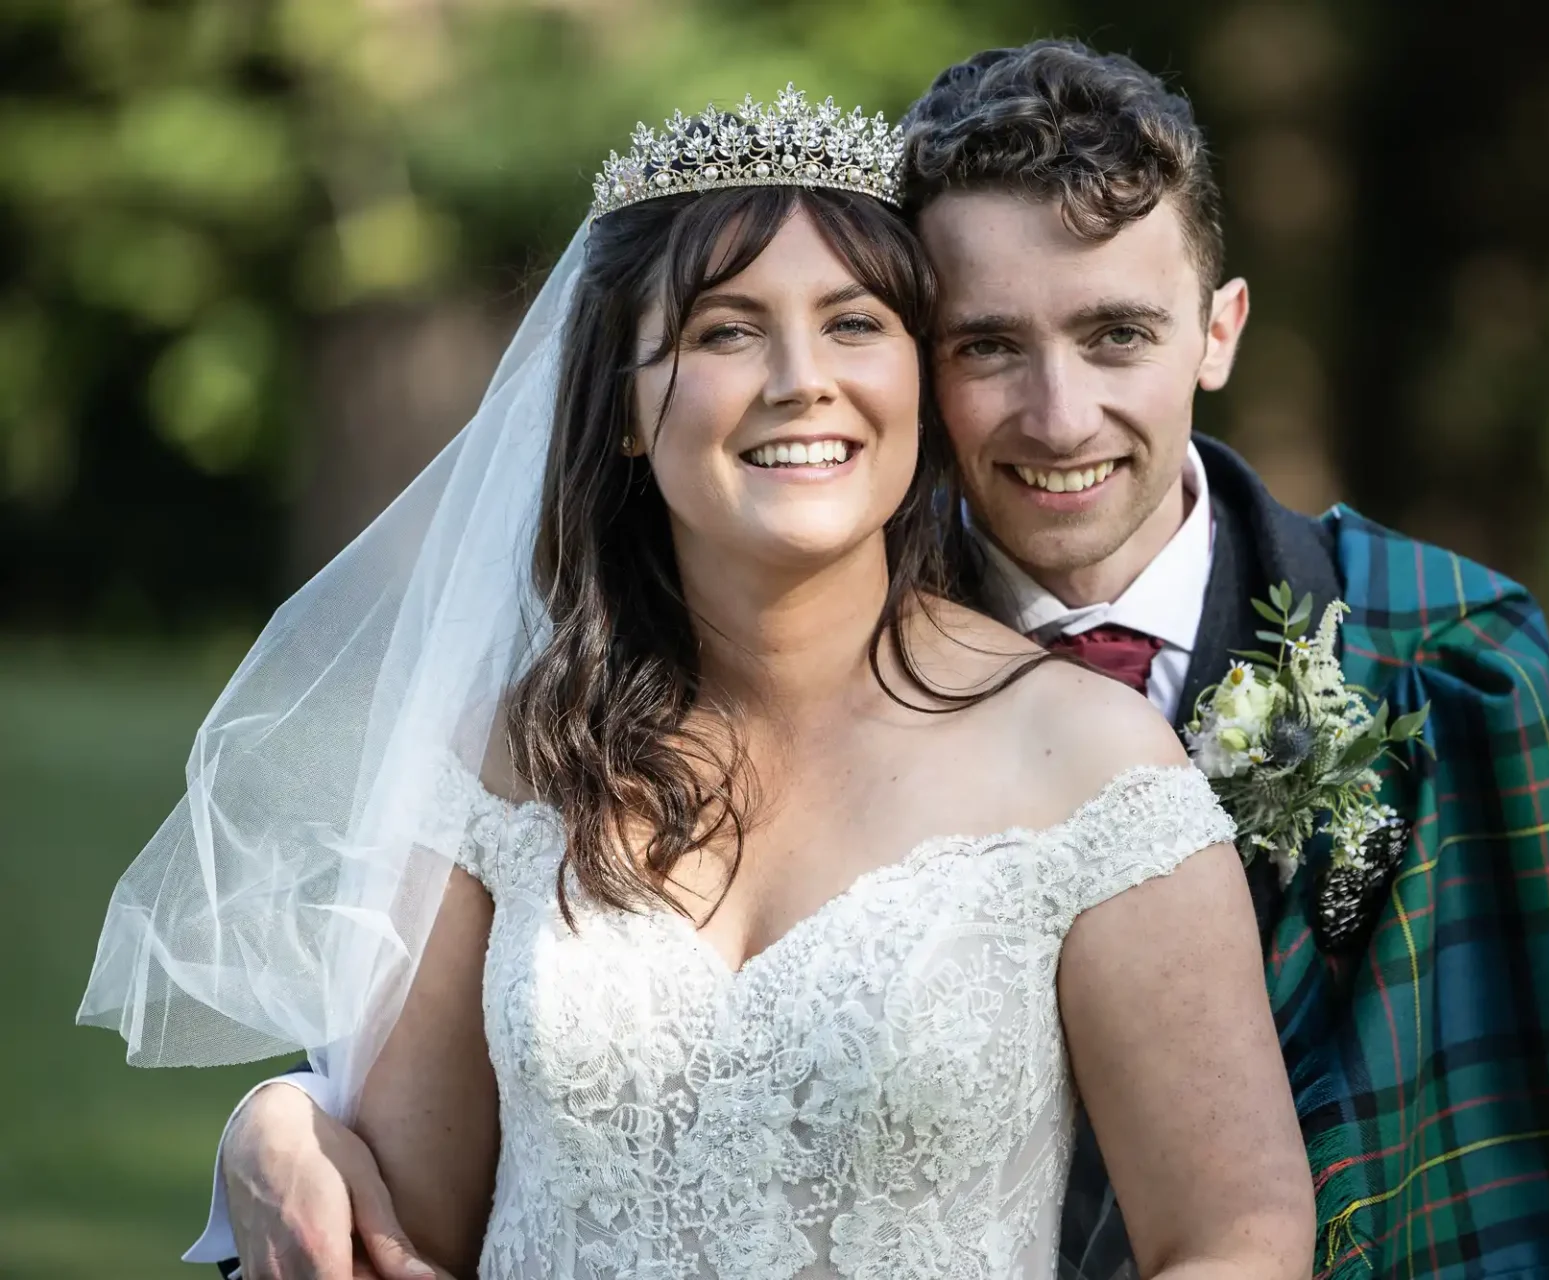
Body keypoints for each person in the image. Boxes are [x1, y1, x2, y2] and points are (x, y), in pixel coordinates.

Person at [155, 39, 1549, 1280]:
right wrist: (275, 1117)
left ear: (1219, 330)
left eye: (1114, 336)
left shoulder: (1428, 662)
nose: (1055, 417)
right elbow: (410, 1163)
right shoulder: (567, 721)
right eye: (984, 345)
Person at [78, 87, 1314, 1278]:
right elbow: (409, 1229)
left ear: (917, 389)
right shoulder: (506, 764)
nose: (799, 378)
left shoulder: (1091, 766)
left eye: (853, 322)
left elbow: (1239, 1238)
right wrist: (275, 1124)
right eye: (727, 329)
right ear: (624, 407)